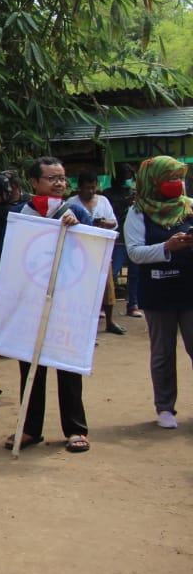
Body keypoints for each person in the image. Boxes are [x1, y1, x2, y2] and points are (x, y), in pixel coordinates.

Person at [11, 156, 93, 454]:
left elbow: (94, 246)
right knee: (30, 364)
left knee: (67, 363)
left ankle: (75, 429)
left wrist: (79, 225)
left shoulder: (77, 210)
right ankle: (30, 429)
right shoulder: (22, 214)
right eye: (51, 178)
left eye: (62, 178)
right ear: (34, 182)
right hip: (32, 300)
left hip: (68, 299)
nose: (59, 183)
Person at [123, 156, 193, 429]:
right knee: (163, 352)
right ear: (152, 182)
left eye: (179, 178)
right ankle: (165, 408)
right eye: (169, 179)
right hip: (157, 293)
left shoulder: (189, 207)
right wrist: (167, 247)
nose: (175, 184)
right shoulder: (138, 212)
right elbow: (135, 252)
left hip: (190, 289)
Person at [67, 172, 124, 335]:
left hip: (101, 248)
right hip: (78, 251)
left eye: (93, 188)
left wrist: (104, 223)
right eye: (87, 188)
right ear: (79, 188)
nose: (90, 191)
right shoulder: (71, 203)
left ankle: (110, 321)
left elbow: (114, 223)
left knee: (107, 287)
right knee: (82, 289)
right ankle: (83, 327)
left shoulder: (103, 201)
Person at [104, 168, 144, 318]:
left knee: (135, 273)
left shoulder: (135, 193)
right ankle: (104, 305)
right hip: (118, 238)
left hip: (134, 238)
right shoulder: (108, 194)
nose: (127, 178)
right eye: (124, 175)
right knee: (112, 272)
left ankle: (132, 304)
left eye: (129, 176)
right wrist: (123, 204)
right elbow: (111, 216)